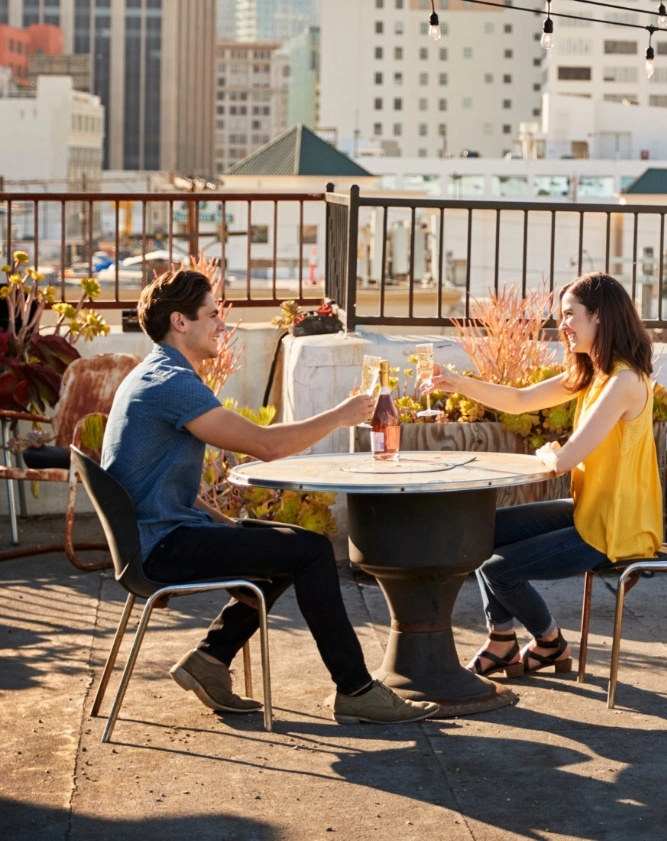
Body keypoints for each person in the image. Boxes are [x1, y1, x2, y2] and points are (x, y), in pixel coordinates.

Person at [100, 269, 434, 725]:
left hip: (155, 536)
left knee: (281, 545)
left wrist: (224, 522)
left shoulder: (154, 373)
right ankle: (356, 690)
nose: (222, 325)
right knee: (312, 552)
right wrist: (341, 414)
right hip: (160, 548)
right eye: (212, 315)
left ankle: (210, 660)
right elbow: (266, 446)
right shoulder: (171, 383)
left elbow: (151, 479)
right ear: (180, 321)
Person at [420, 272, 661, 677]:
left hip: (617, 526)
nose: (561, 324)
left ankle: (549, 642)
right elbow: (519, 401)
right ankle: (503, 640)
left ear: (599, 316)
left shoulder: (623, 381)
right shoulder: (594, 373)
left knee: (498, 568)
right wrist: (455, 381)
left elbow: (565, 460)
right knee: (482, 531)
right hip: (591, 510)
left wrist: (551, 451)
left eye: (570, 314)